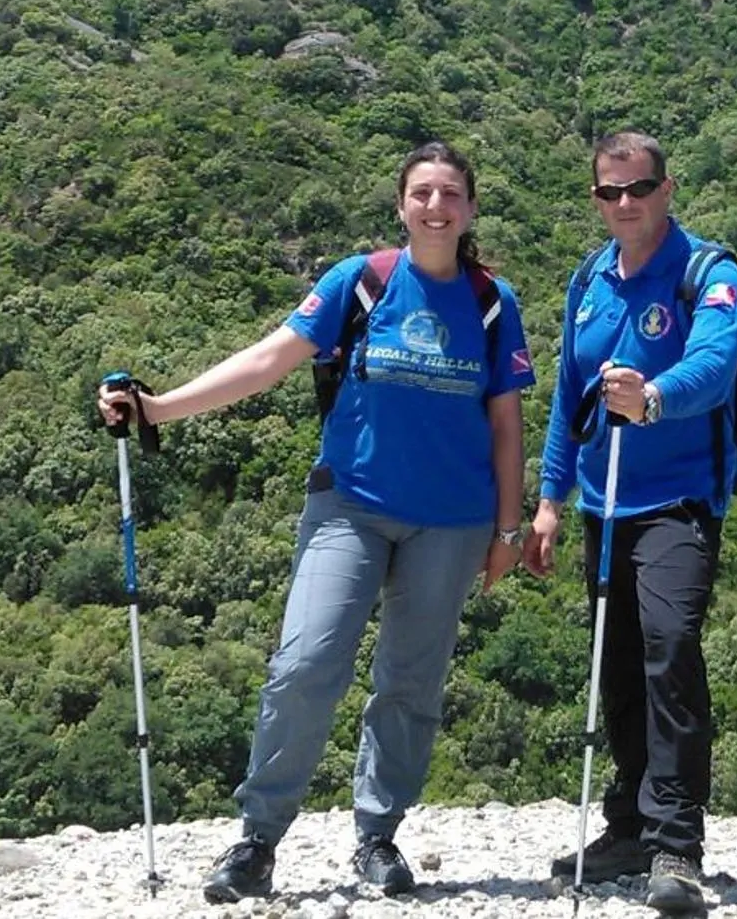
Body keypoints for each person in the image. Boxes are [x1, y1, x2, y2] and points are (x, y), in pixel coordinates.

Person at [98, 142, 532, 903]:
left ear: (469, 208)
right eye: (422, 193)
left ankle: (377, 836)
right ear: (401, 203)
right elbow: (270, 359)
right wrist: (158, 406)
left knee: (411, 681)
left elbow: (505, 421)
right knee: (305, 662)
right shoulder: (361, 281)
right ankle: (258, 839)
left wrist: (506, 530)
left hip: (452, 520)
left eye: (449, 194)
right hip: (350, 505)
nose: (435, 206)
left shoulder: (492, 301)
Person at [526, 131, 737, 918]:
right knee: (615, 664)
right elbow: (567, 395)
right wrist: (550, 499)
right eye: (608, 192)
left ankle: (677, 845)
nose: (624, 204)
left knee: (668, 648)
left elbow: (716, 365)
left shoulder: (707, 273)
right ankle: (628, 824)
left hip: (678, 500)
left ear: (667, 188)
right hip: (603, 503)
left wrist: (651, 397)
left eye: (639, 188)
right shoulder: (589, 278)